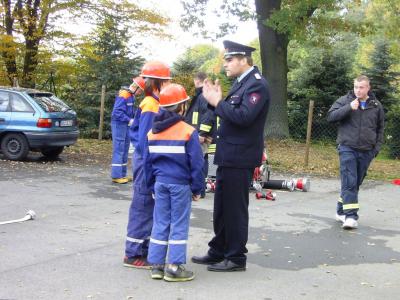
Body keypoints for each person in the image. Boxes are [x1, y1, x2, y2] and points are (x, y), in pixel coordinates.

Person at [191, 40, 270, 272]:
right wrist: (215, 104)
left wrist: (217, 103)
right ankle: (219, 250)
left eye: (229, 59)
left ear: (244, 60)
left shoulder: (257, 85)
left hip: (241, 156)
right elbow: (231, 113)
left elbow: (244, 117)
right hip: (229, 154)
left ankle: (236, 257)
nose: (225, 64)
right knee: (222, 207)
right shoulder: (241, 83)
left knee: (235, 208)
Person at [144, 83, 204, 282]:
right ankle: (175, 267)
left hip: (160, 184)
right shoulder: (188, 131)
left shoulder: (152, 133)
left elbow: (147, 164)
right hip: (180, 185)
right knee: (178, 223)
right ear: (182, 107)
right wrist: (197, 188)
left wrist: (151, 186)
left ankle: (157, 266)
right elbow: (196, 163)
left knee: (160, 222)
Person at [124, 61, 171, 268]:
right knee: (143, 205)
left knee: (148, 205)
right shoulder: (151, 105)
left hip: (147, 160)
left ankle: (143, 249)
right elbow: (146, 140)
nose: (170, 83)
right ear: (158, 82)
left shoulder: (154, 103)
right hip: (147, 161)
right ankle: (133, 253)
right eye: (167, 80)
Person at [327, 75, 384, 230]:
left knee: (355, 183)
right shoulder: (345, 101)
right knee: (350, 181)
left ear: (368, 88)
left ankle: (340, 211)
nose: (358, 90)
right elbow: (330, 117)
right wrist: (348, 108)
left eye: (362, 87)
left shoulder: (376, 105)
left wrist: (375, 149)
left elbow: (380, 129)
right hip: (347, 148)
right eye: (356, 87)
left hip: (367, 151)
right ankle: (351, 217)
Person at [184, 72, 216, 197]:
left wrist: (202, 133)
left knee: (200, 161)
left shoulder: (203, 96)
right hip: (197, 133)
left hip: (200, 135)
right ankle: (199, 189)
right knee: (201, 160)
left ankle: (199, 190)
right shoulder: (202, 95)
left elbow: (209, 115)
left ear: (197, 81)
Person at [111, 77, 145, 184]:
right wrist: (129, 120)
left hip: (125, 124)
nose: (140, 93)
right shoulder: (124, 95)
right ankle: (116, 176)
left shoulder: (131, 95)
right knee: (119, 148)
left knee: (125, 148)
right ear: (136, 87)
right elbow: (117, 113)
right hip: (119, 124)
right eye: (140, 90)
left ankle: (122, 174)